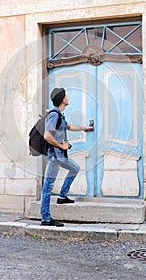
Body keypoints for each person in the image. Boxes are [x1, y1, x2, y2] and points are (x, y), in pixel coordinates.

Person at [40, 87, 93, 227]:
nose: (68, 97)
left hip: (60, 156)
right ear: (62, 99)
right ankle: (45, 218)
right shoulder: (54, 115)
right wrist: (61, 145)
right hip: (54, 156)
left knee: (75, 168)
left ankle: (62, 196)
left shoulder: (60, 115)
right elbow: (47, 135)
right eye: (66, 96)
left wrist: (84, 128)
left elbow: (68, 126)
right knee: (48, 187)